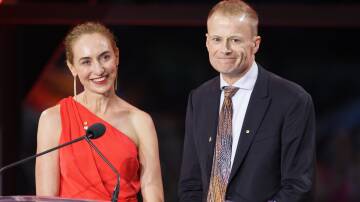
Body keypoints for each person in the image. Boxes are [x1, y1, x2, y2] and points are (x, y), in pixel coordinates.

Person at [178, 0, 316, 201]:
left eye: (235, 40)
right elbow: (190, 183)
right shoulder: (198, 98)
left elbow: (299, 187)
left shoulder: (292, 100)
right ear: (207, 42)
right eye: (217, 39)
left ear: (255, 44)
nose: (224, 49)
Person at [36, 22, 164, 202]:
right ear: (72, 67)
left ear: (117, 56)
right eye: (86, 62)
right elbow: (45, 198)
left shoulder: (140, 121)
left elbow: (153, 193)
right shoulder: (52, 119)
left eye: (105, 57)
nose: (99, 69)